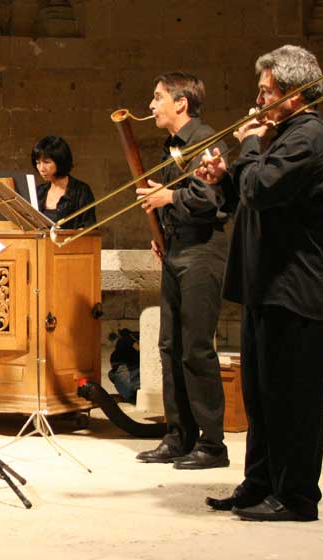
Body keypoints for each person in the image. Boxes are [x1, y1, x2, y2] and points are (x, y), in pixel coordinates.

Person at [199, 45, 323, 521]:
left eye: (264, 91)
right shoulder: (284, 135)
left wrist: (251, 144)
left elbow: (260, 189)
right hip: (266, 286)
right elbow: (246, 191)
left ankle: (296, 497)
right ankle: (259, 483)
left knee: (291, 401)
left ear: (293, 94)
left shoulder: (310, 139)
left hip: (294, 288)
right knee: (261, 396)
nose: (255, 102)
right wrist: (223, 175)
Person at [133, 72, 231, 469]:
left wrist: (167, 196)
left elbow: (207, 198)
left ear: (181, 103)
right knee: (169, 345)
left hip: (203, 252)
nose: (152, 106)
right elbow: (174, 202)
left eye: (157, 98)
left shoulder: (206, 141)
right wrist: (162, 230)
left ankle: (213, 444)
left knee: (195, 348)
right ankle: (178, 435)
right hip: (177, 250)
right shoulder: (172, 145)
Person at [31, 135, 96, 228]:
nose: (41, 168)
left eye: (46, 162)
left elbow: (89, 229)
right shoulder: (39, 191)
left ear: (60, 161)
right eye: (38, 163)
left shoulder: (81, 191)